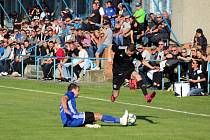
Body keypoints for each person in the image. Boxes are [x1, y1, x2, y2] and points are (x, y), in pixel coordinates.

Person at [60, 83, 129, 127]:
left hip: (70, 121)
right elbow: (63, 98)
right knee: (97, 116)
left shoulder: (70, 97)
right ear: (73, 90)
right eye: (78, 90)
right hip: (73, 119)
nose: (79, 93)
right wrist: (65, 108)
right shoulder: (70, 93)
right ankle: (121, 120)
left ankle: (88, 124)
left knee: (93, 117)